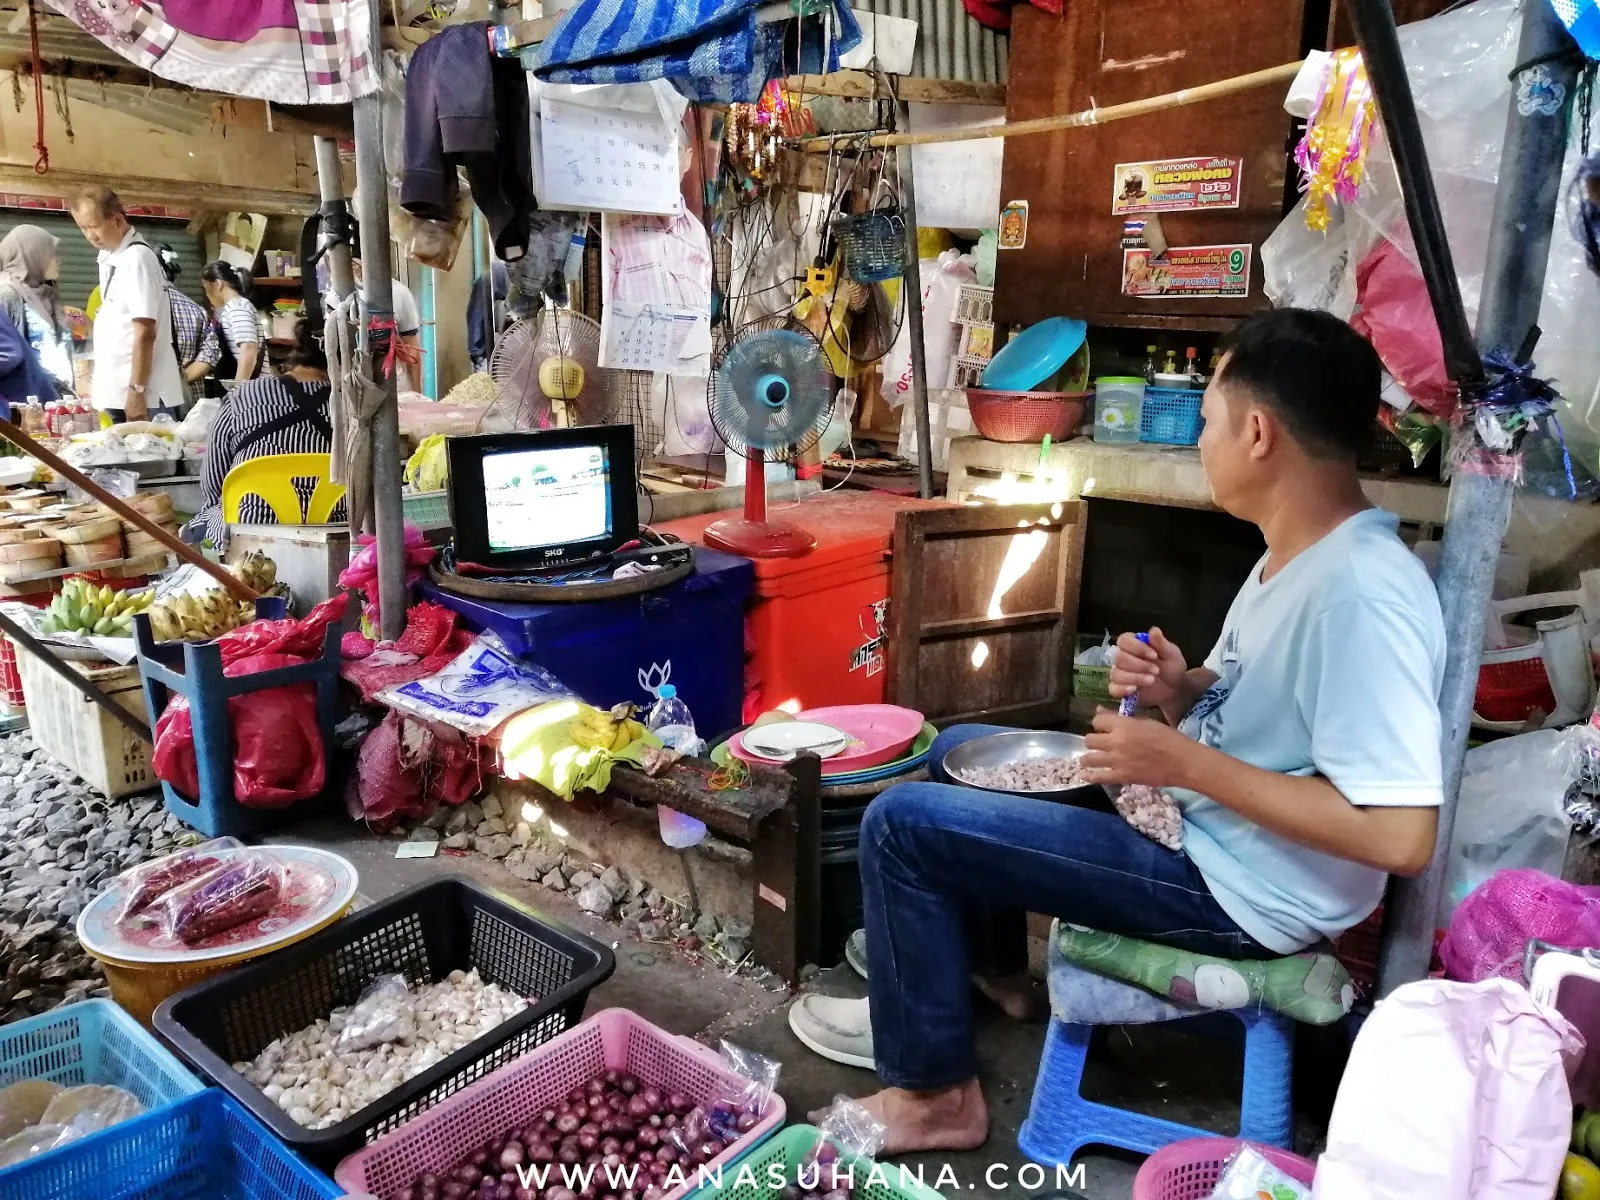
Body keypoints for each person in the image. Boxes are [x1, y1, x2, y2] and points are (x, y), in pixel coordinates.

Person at [786, 308, 1447, 1155]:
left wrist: (1186, 765)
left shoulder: (1363, 595)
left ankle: (933, 1096)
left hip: (1243, 895)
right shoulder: (1296, 553)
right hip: (1208, 829)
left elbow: (1401, 835)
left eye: (1204, 420)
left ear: (1257, 432)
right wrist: (1183, 689)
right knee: (959, 754)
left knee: (900, 828)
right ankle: (996, 976)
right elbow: (1267, 710)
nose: (1201, 440)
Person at [196, 319, 342, 545]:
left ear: (295, 354)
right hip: (336, 534)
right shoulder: (354, 407)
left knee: (202, 519)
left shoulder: (242, 397)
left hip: (249, 533)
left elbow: (213, 487)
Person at [68, 185, 183, 421]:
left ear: (118, 220)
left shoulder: (136, 259)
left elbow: (145, 332)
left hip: (143, 397)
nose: (90, 236)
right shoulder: (113, 257)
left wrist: (136, 391)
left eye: (94, 226)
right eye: (83, 228)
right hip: (120, 393)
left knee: (149, 457)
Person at [0, 224, 74, 396]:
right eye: (50, 253)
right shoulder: (7, 294)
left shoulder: (48, 294)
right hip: (26, 398)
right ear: (32, 254)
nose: (57, 259)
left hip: (58, 394)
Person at [156, 245, 221, 400]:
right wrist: (182, 378)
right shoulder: (197, 311)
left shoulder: (140, 309)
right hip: (188, 402)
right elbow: (212, 353)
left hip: (150, 400)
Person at [200, 261, 262, 384]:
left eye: (206, 289)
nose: (206, 295)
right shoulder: (235, 307)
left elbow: (249, 349)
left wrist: (237, 388)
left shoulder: (236, 307)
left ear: (218, 284)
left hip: (250, 394)